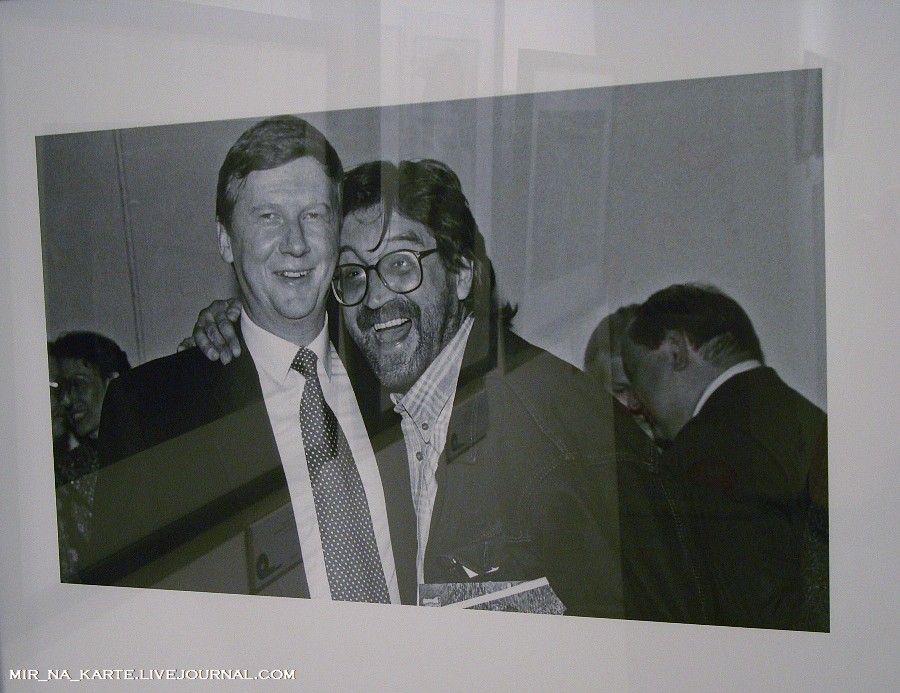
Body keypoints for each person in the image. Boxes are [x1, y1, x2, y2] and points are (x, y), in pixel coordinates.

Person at [194, 159, 624, 617]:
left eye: (401, 264)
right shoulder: (379, 408)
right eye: (352, 273)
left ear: (462, 273)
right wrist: (235, 330)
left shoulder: (550, 428)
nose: (375, 297)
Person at [90, 116, 406, 604]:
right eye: (268, 217)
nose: (295, 243)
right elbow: (118, 611)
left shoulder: (393, 359)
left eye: (313, 215)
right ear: (225, 239)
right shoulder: (150, 414)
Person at [620, 283, 828, 629]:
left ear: (675, 351)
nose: (632, 402)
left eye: (633, 373)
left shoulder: (701, 454)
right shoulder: (809, 419)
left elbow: (750, 623)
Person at [48, 331, 130, 579]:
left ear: (113, 381)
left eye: (77, 384)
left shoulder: (152, 445)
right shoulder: (65, 473)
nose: (66, 400)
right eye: (62, 388)